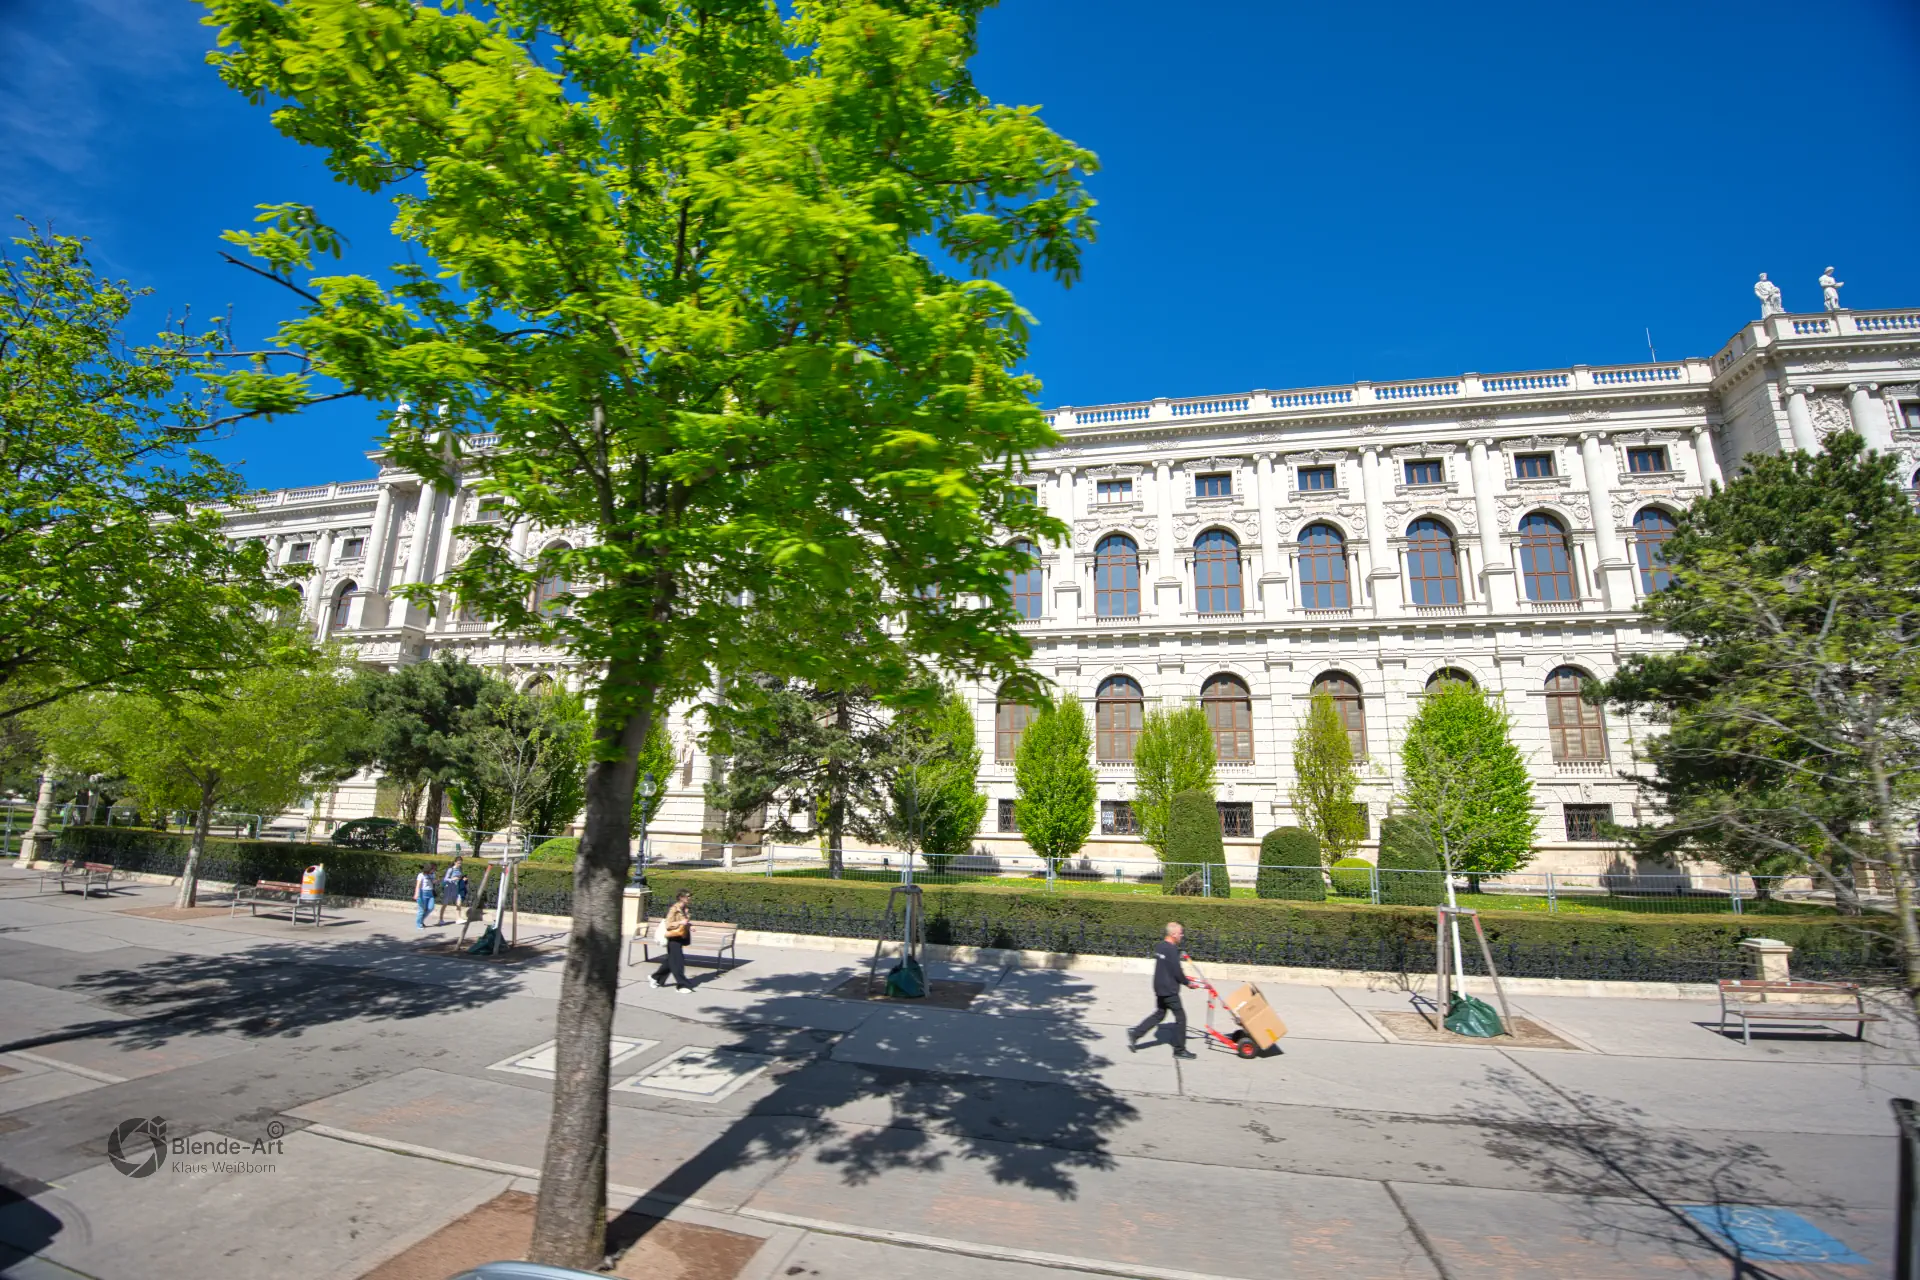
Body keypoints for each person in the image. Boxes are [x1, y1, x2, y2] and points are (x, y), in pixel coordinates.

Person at [1128, 921, 1198, 1059]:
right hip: (1169, 989)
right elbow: (1177, 971)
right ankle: (1179, 1050)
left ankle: (1135, 1033)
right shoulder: (1172, 950)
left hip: (1159, 987)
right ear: (1173, 934)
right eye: (1180, 933)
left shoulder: (1160, 946)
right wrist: (1187, 983)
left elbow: (1167, 967)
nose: (1182, 935)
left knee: (1159, 1014)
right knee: (1181, 1018)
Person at [650, 889, 694, 994]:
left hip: (680, 937)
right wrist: (680, 922)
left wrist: (689, 926)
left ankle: (655, 978)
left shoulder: (684, 909)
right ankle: (682, 985)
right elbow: (668, 924)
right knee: (678, 962)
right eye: (688, 896)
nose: (690, 898)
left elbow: (684, 922)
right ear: (681, 898)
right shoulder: (674, 909)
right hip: (673, 938)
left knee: (671, 961)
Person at [438, 856, 469, 925]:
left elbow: (459, 878)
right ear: (455, 862)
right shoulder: (450, 869)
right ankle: (440, 919)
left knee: (459, 902)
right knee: (445, 904)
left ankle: (458, 918)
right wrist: (452, 879)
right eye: (458, 863)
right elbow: (445, 879)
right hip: (449, 887)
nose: (459, 865)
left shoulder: (460, 869)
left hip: (456, 887)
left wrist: (463, 879)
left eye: (460, 863)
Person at [413, 864, 437, 929]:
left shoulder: (433, 874)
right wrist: (416, 893)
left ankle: (421, 920)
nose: (433, 870)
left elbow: (433, 882)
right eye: (432, 869)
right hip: (423, 893)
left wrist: (435, 881)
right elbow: (418, 885)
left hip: (430, 893)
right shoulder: (421, 875)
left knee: (430, 908)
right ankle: (419, 924)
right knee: (421, 909)